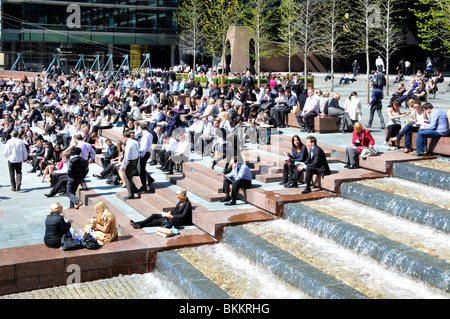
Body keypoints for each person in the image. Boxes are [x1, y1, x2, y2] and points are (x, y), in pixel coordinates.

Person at [121, 131, 141, 200]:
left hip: (130, 161)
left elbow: (126, 156)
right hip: (135, 160)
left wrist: (122, 165)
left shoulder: (128, 144)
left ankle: (130, 194)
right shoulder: (135, 142)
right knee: (128, 176)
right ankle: (134, 189)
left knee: (127, 177)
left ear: (125, 137)